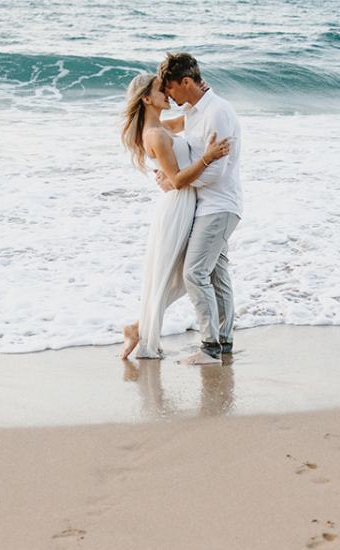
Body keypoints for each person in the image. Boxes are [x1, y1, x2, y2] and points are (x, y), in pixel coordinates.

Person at [119, 72, 231, 361]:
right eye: (160, 89)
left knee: (179, 276)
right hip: (178, 207)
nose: (167, 93)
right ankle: (138, 329)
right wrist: (208, 157)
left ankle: (138, 327)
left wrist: (204, 90)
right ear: (146, 98)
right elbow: (179, 180)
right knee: (177, 276)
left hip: (187, 204)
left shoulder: (161, 126)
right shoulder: (155, 134)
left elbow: (190, 119)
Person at [156, 52, 243, 366]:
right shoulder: (193, 111)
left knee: (195, 272)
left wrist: (174, 180)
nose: (169, 95)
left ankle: (209, 348)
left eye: (171, 89)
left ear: (186, 81)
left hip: (219, 206)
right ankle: (224, 341)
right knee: (217, 275)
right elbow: (163, 131)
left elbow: (214, 173)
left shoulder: (217, 112)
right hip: (205, 206)